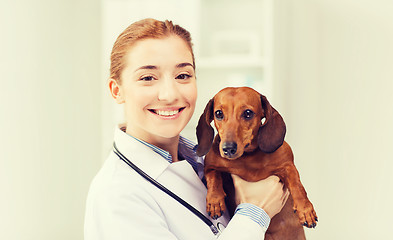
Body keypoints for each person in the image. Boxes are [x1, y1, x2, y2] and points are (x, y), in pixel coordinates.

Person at [84, 18, 289, 240]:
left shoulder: (205, 161)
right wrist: (255, 213)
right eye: (148, 77)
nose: (170, 94)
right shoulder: (116, 196)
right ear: (117, 91)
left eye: (183, 75)